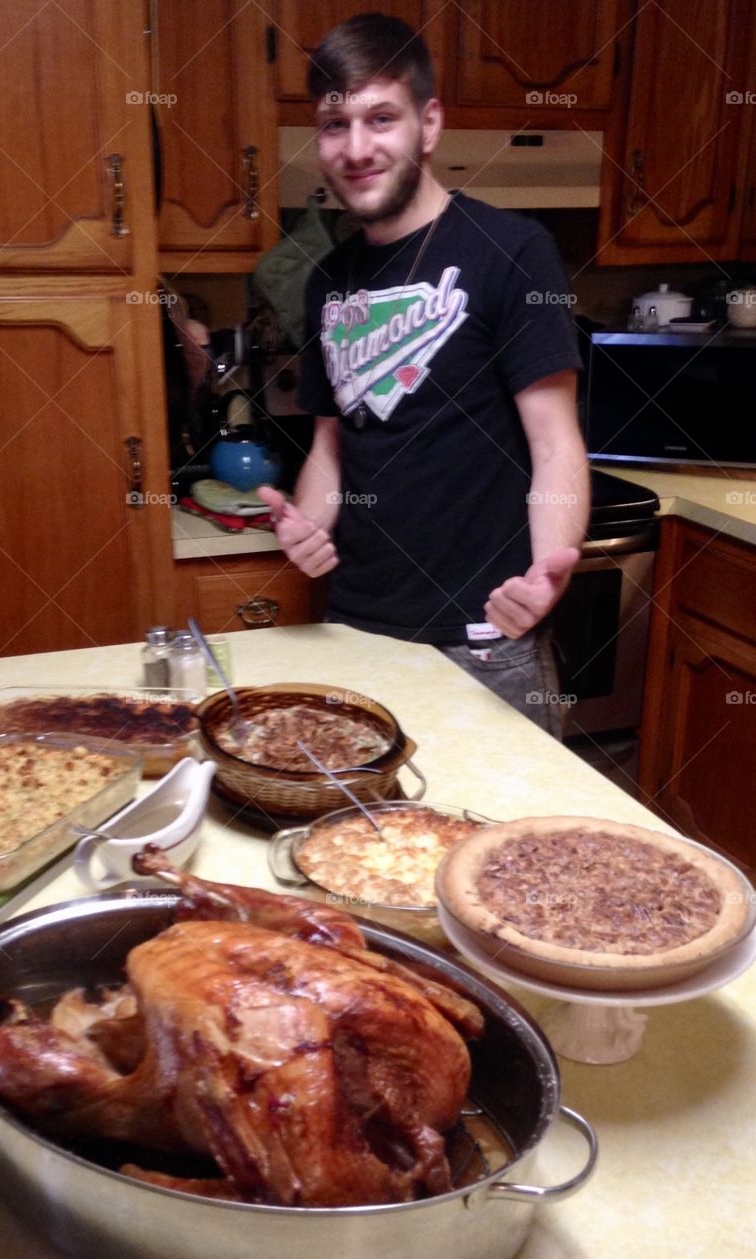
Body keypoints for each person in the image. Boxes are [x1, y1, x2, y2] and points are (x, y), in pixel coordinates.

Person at [258, 13, 590, 737]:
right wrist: (309, 523)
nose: (356, 147)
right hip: (357, 633)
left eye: (381, 117)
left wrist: (546, 574)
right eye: (334, 124)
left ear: (428, 123)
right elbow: (331, 444)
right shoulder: (327, 282)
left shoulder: (512, 252)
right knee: (362, 844)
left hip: (483, 639)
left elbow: (556, 445)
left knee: (499, 843)